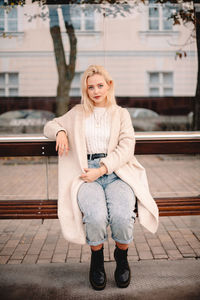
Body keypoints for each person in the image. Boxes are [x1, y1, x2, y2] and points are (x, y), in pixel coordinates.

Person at [43, 65, 159, 291]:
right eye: (90, 87)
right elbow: (50, 124)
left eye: (100, 85)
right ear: (85, 90)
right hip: (87, 175)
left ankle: (121, 257)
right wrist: (60, 132)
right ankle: (96, 262)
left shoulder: (120, 114)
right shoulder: (77, 112)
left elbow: (127, 147)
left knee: (122, 216)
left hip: (117, 173)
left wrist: (103, 168)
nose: (95, 91)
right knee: (95, 217)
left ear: (109, 86)